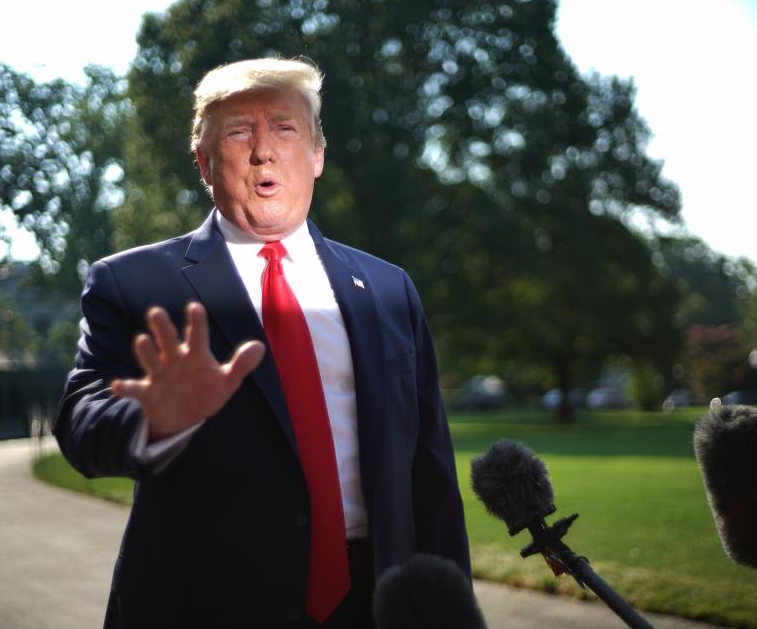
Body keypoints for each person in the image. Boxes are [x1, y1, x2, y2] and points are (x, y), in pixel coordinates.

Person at [54, 57, 470, 629]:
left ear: (318, 155)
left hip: (376, 603)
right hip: (205, 606)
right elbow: (80, 421)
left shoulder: (387, 288)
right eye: (238, 132)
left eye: (284, 127)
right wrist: (153, 420)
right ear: (203, 162)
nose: (263, 150)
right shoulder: (131, 284)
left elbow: (431, 476)